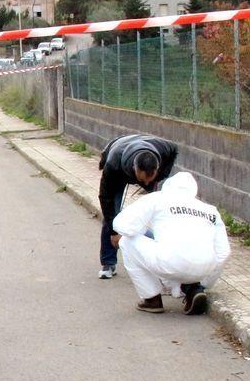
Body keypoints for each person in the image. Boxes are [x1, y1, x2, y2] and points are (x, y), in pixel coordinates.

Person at [111, 172, 230, 315]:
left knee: (127, 241)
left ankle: (152, 299)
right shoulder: (210, 210)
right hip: (204, 269)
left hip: (170, 263)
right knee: (177, 254)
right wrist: (205, 281)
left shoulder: (157, 198)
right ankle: (193, 288)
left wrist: (143, 230)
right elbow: (224, 252)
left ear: (167, 186)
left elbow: (123, 224)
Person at [96, 132, 178, 279]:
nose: (146, 184)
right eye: (143, 179)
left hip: (143, 147)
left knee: (160, 212)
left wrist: (160, 177)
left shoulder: (163, 148)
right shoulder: (113, 165)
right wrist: (115, 232)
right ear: (136, 169)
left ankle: (161, 258)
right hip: (119, 162)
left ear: (156, 168)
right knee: (112, 214)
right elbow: (104, 198)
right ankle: (108, 263)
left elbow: (174, 149)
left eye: (150, 178)